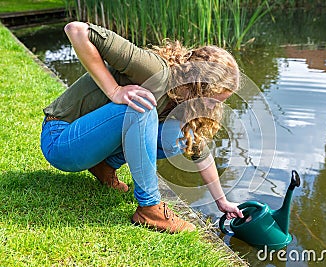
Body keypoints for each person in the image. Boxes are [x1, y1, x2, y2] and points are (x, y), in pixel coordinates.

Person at [40, 21, 243, 233]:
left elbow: (199, 152)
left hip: (89, 144)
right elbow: (76, 30)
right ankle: (150, 208)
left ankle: (104, 166)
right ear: (198, 86)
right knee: (143, 107)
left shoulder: (185, 103)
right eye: (214, 99)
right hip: (61, 139)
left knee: (184, 135)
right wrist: (114, 90)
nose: (215, 106)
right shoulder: (156, 71)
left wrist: (222, 202)